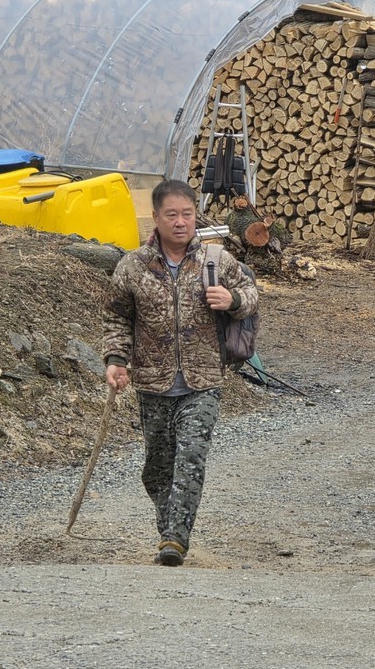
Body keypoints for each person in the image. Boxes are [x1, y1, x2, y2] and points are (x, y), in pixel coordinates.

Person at [102, 179, 258, 567]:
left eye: (187, 214)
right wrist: (116, 360)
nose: (180, 222)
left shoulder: (216, 261)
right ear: (155, 217)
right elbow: (117, 317)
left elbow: (251, 297)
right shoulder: (133, 267)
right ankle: (168, 527)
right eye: (171, 214)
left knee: (191, 458)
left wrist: (233, 299)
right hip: (152, 383)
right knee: (157, 469)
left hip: (203, 380)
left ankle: (175, 538)